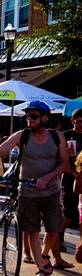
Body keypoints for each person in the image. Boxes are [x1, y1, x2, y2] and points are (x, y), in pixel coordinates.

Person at [0, 100, 68, 276]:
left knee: (55, 227)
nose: (29, 120)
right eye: (27, 116)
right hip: (27, 191)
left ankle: (45, 255)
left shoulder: (57, 137)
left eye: (33, 116)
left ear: (45, 118)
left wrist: (48, 177)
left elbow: (64, 163)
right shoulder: (21, 136)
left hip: (50, 191)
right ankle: (40, 269)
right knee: (32, 230)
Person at [59, 109, 82, 255]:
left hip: (81, 177)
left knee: (79, 215)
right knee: (69, 212)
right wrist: (73, 171)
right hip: (69, 178)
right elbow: (58, 158)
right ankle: (58, 235)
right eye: (79, 121)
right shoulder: (65, 135)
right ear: (73, 121)